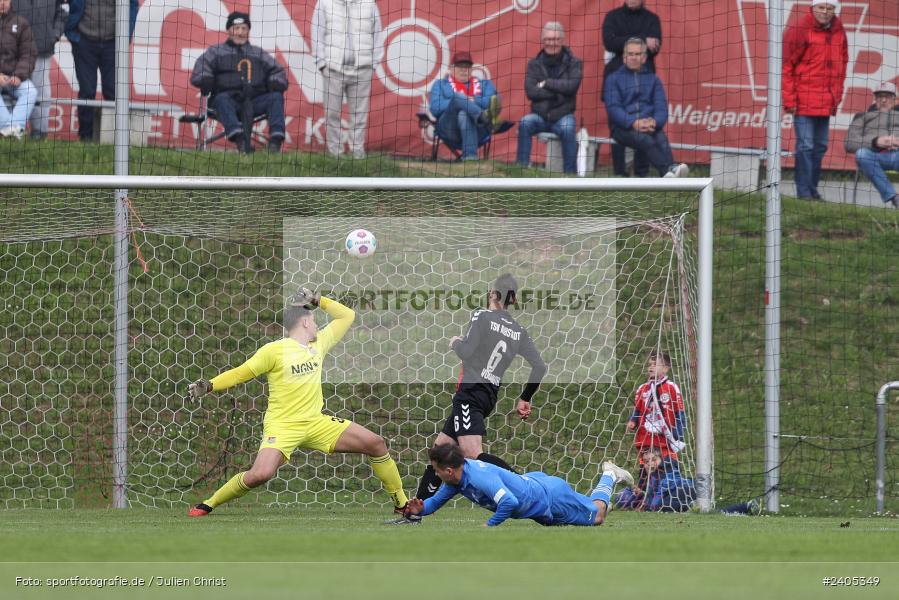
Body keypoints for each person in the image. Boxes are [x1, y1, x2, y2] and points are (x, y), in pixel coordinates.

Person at [186, 287, 410, 519]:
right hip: (283, 426)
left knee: (376, 443)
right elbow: (240, 373)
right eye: (314, 320)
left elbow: (347, 316)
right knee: (261, 474)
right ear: (304, 322)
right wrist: (210, 385)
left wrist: (319, 300)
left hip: (316, 422)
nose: (317, 326)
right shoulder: (274, 351)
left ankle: (401, 503)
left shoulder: (319, 343)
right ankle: (209, 504)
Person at [406, 274, 547, 517]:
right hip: (487, 395)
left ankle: (525, 489)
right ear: (513, 300)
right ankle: (416, 513)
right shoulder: (519, 331)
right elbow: (540, 367)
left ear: (492, 294)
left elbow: (467, 351)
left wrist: (455, 342)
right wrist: (525, 397)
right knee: (440, 451)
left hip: (470, 393)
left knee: (472, 455)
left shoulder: (482, 316)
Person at [403, 443, 634, 527]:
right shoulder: (457, 479)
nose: (435, 473)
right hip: (536, 493)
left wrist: (490, 525)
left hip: (549, 497)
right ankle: (601, 492)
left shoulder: (478, 477)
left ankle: (609, 475)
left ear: (449, 471)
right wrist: (419, 509)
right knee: (586, 512)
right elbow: (435, 502)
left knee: (597, 516)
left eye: (436, 470)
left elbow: (509, 502)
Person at [190, 12, 288, 153]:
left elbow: (277, 71)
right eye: (236, 28)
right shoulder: (215, 52)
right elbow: (201, 69)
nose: (240, 32)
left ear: (248, 31)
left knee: (276, 97)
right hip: (227, 101)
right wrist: (205, 79)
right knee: (222, 99)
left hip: (255, 101)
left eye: (244, 28)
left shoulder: (259, 53)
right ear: (228, 30)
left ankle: (275, 142)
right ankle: (240, 140)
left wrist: (275, 82)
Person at [782, 0, 848, 200]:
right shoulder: (799, 29)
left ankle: (812, 189)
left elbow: (842, 64)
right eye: (821, 7)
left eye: (830, 8)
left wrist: (836, 95)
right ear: (813, 7)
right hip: (803, 100)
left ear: (834, 10)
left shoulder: (839, 30)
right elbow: (786, 66)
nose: (825, 12)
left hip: (826, 101)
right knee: (805, 146)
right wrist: (789, 100)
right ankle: (804, 192)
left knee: (820, 147)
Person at [605, 37, 688, 178]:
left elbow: (661, 108)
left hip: (648, 125)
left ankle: (669, 173)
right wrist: (633, 122)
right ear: (624, 57)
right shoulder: (613, 79)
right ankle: (669, 171)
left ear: (644, 58)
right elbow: (613, 109)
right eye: (630, 54)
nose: (633, 57)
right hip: (622, 128)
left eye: (637, 54)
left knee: (661, 139)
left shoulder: (654, 80)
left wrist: (654, 122)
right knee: (646, 140)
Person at [312, 0, 384, 159]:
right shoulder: (324, 3)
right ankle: (335, 154)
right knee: (332, 114)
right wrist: (322, 64)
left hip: (362, 70)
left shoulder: (369, 4)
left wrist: (372, 65)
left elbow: (378, 36)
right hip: (333, 69)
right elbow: (317, 34)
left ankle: (357, 154)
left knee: (359, 116)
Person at [602, 0, 661, 177]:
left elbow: (655, 48)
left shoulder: (652, 19)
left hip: (644, 83)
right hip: (616, 81)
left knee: (644, 127)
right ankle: (619, 173)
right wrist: (643, 40)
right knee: (618, 127)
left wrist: (625, 41)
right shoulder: (612, 17)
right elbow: (609, 42)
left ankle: (641, 175)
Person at [65, 0, 138, 142]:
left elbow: (133, 5)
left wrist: (125, 35)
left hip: (113, 43)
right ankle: (85, 137)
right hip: (84, 42)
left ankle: (114, 138)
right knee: (87, 91)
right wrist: (72, 33)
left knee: (112, 91)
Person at [516, 22, 583, 174]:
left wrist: (546, 83)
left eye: (556, 39)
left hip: (563, 115)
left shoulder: (575, 63)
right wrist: (558, 92)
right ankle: (520, 170)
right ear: (542, 40)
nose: (552, 43)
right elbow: (531, 92)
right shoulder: (534, 64)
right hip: (539, 116)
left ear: (562, 40)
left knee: (568, 128)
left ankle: (570, 175)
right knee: (525, 123)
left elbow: (571, 87)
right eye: (548, 39)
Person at [428, 50, 502, 161]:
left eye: (467, 66)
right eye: (460, 66)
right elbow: (435, 108)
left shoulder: (485, 84)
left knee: (463, 113)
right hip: (450, 129)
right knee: (458, 97)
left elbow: (493, 101)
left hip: (479, 129)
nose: (464, 70)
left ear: (472, 69)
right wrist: (458, 101)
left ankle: (470, 157)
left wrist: (473, 100)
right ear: (451, 68)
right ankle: (483, 117)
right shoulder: (440, 84)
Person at [12, 0, 65, 140]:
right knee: (13, 89)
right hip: (14, 50)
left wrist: (54, 35)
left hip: (42, 48)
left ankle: (39, 132)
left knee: (40, 92)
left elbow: (63, 11)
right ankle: (11, 131)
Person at [844, 81, 899, 208]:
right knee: (861, 154)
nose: (883, 100)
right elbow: (849, 143)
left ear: (894, 99)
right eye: (879, 96)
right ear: (875, 99)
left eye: (887, 96)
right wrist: (876, 142)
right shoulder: (862, 116)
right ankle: (894, 198)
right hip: (874, 156)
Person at [627, 350, 685, 459]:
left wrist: (678, 434)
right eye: (650, 364)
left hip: (665, 440)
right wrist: (633, 421)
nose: (651, 367)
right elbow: (637, 409)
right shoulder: (642, 388)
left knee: (667, 466)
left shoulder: (671, 388)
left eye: (655, 364)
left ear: (665, 369)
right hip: (645, 439)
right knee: (646, 467)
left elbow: (679, 413)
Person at [614, 447, 695, 512]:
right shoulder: (652, 477)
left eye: (653, 460)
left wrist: (646, 508)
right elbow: (652, 495)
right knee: (662, 503)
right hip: (678, 493)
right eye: (646, 462)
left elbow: (659, 496)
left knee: (660, 505)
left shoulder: (667, 471)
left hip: (691, 488)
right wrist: (642, 494)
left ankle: (693, 505)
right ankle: (692, 504)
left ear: (661, 460)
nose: (650, 463)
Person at [0, 0, 36, 139]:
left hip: (13, 78)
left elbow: (28, 54)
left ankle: (8, 130)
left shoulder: (21, 23)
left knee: (31, 91)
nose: (2, 2)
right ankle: (12, 131)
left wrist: (19, 75)